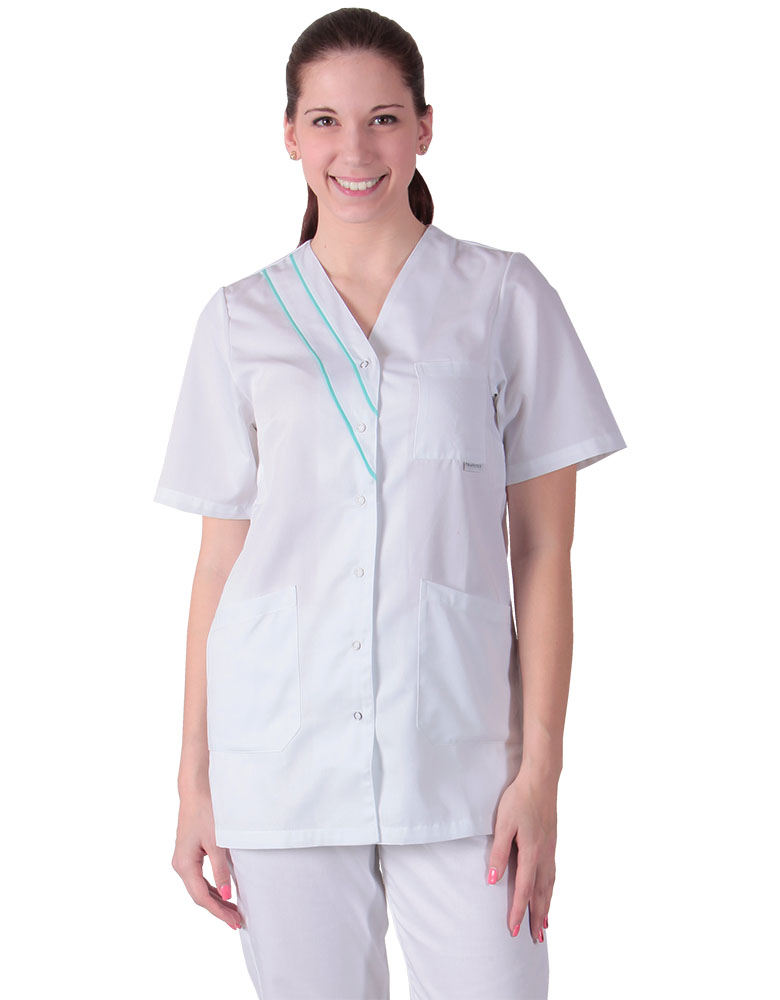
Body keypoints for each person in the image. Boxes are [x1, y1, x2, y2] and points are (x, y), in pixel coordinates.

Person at [153, 8, 627, 999]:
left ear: (424, 128)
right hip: (277, 758)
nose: (355, 150)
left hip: (462, 761)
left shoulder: (502, 297)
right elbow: (219, 563)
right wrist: (195, 777)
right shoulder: (241, 320)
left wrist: (541, 774)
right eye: (325, 121)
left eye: (382, 118)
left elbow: (544, 552)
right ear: (290, 136)